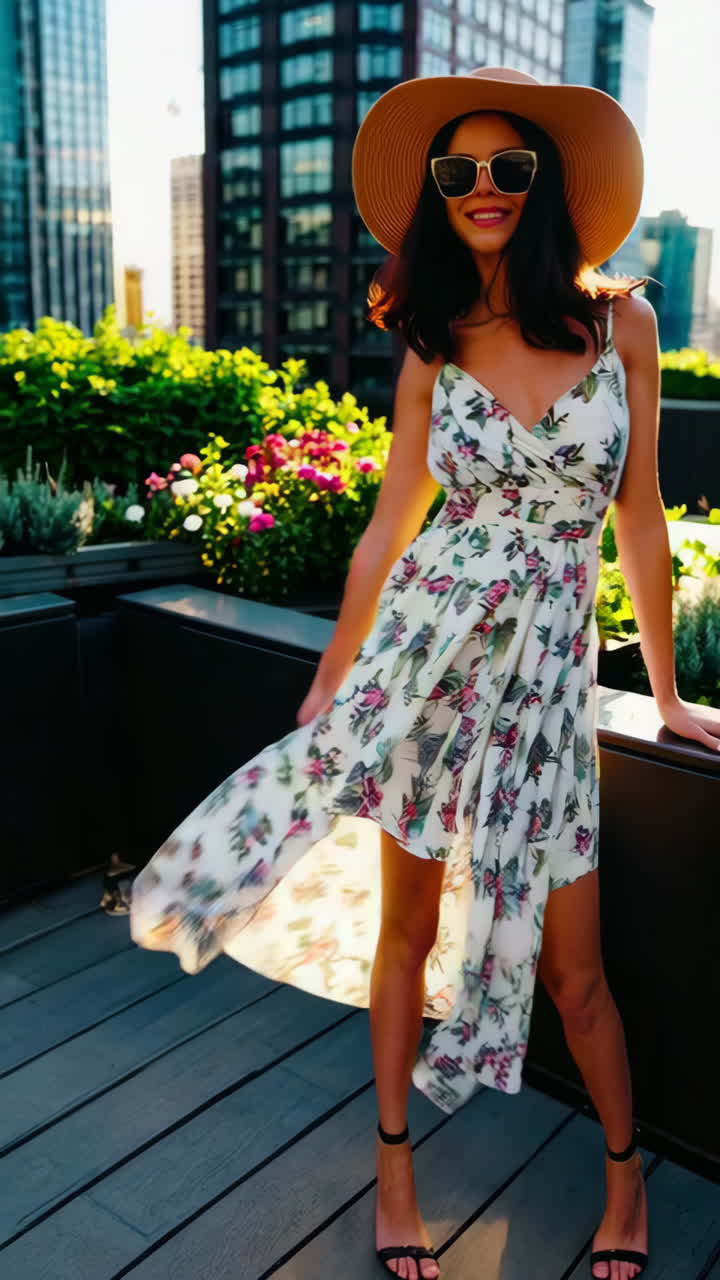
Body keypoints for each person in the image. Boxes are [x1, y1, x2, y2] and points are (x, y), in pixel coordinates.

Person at [130, 67, 720, 1280]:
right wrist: (336, 673)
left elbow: (643, 520)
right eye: (460, 173)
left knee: (579, 972)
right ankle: (395, 1171)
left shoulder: (627, 327)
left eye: (510, 169)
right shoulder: (431, 346)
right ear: (437, 199)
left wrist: (662, 693)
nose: (486, 189)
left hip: (550, 691)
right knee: (403, 936)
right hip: (425, 667)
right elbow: (391, 521)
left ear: (544, 184)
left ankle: (626, 1188)